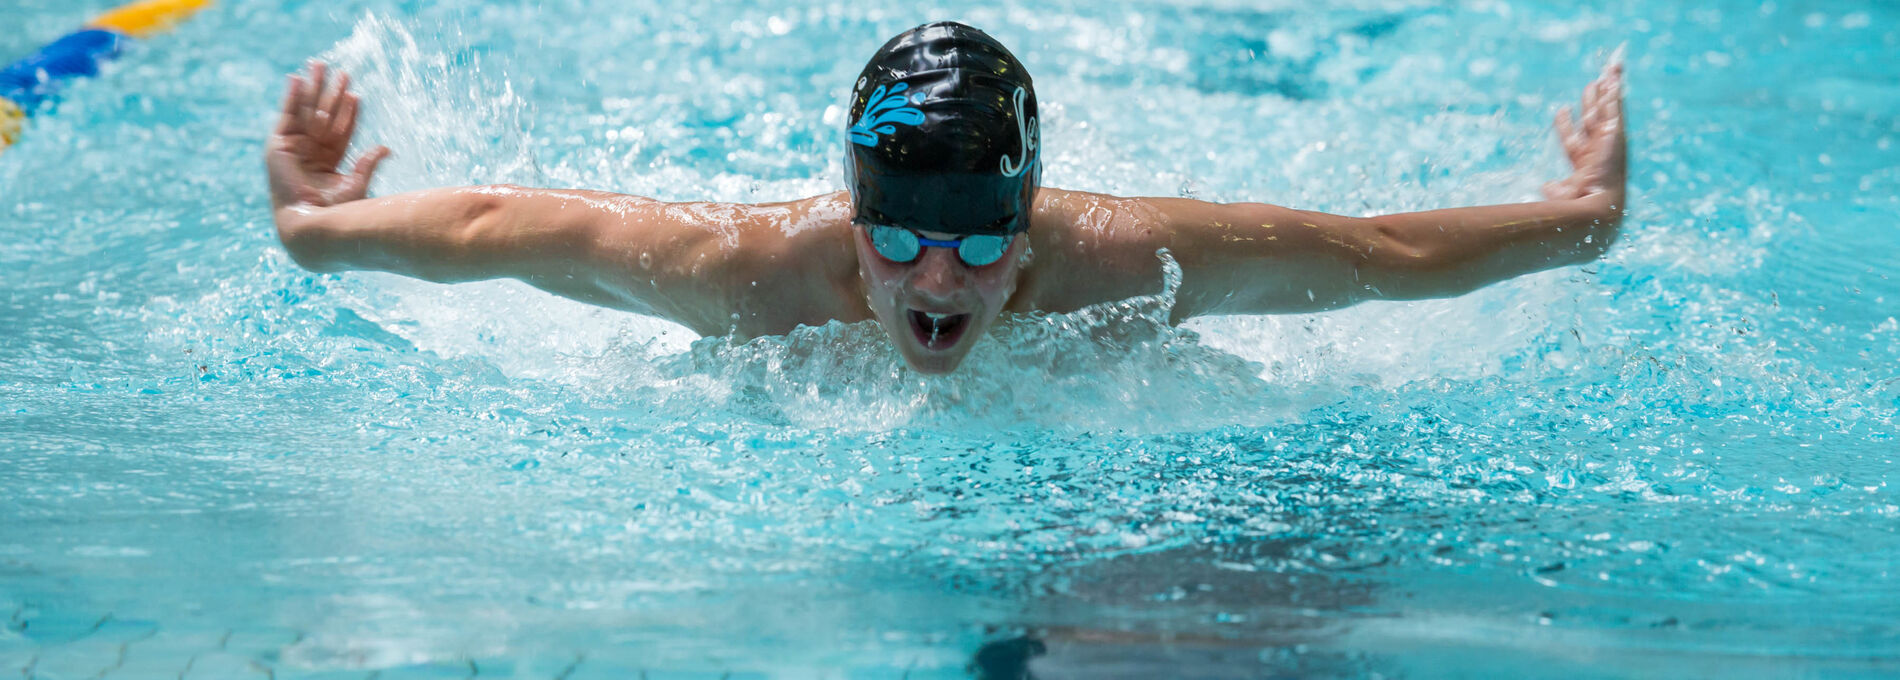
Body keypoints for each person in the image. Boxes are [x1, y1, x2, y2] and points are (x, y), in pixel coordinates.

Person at [267, 22, 1626, 374]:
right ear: (850, 222)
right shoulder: (749, 278)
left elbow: (1378, 255)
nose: (937, 282)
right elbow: (510, 229)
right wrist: (316, 228)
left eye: (983, 240)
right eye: (903, 240)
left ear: (1029, 225)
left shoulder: (1122, 264)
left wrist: (1586, 218)